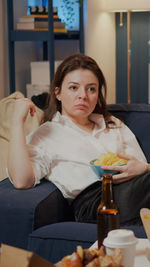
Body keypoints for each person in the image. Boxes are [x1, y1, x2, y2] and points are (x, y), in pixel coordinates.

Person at [8, 53, 150, 225]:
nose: (83, 95)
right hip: (92, 202)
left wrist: (143, 167)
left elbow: (141, 169)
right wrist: (17, 122)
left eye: (91, 89)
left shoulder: (113, 124)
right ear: (58, 93)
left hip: (133, 189)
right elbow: (22, 181)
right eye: (74, 88)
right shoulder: (47, 134)